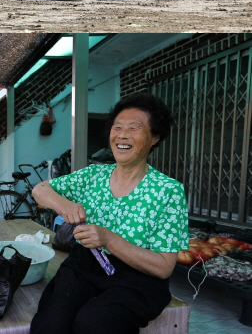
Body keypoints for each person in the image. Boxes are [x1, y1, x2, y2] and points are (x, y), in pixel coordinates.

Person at [30, 93, 189, 334]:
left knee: (95, 323)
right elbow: (40, 189)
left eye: (134, 128)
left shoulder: (168, 191)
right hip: (86, 265)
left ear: (155, 137)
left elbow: (164, 267)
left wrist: (109, 239)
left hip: (138, 279)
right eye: (118, 127)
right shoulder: (93, 175)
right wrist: (63, 205)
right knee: (51, 324)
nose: (123, 135)